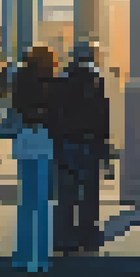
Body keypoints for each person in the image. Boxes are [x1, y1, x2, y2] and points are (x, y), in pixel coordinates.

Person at [50, 41, 109, 256]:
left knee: (66, 193)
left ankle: (65, 238)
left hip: (67, 142)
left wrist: (57, 140)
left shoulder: (62, 80)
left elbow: (55, 114)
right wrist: (104, 144)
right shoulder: (96, 80)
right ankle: (89, 238)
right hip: (90, 142)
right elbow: (103, 114)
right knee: (90, 193)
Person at [11, 45, 59, 273]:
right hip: (45, 137)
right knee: (43, 201)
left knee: (26, 201)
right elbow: (56, 110)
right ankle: (41, 257)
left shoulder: (20, 78)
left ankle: (22, 255)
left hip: (25, 136)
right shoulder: (52, 80)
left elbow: (16, 106)